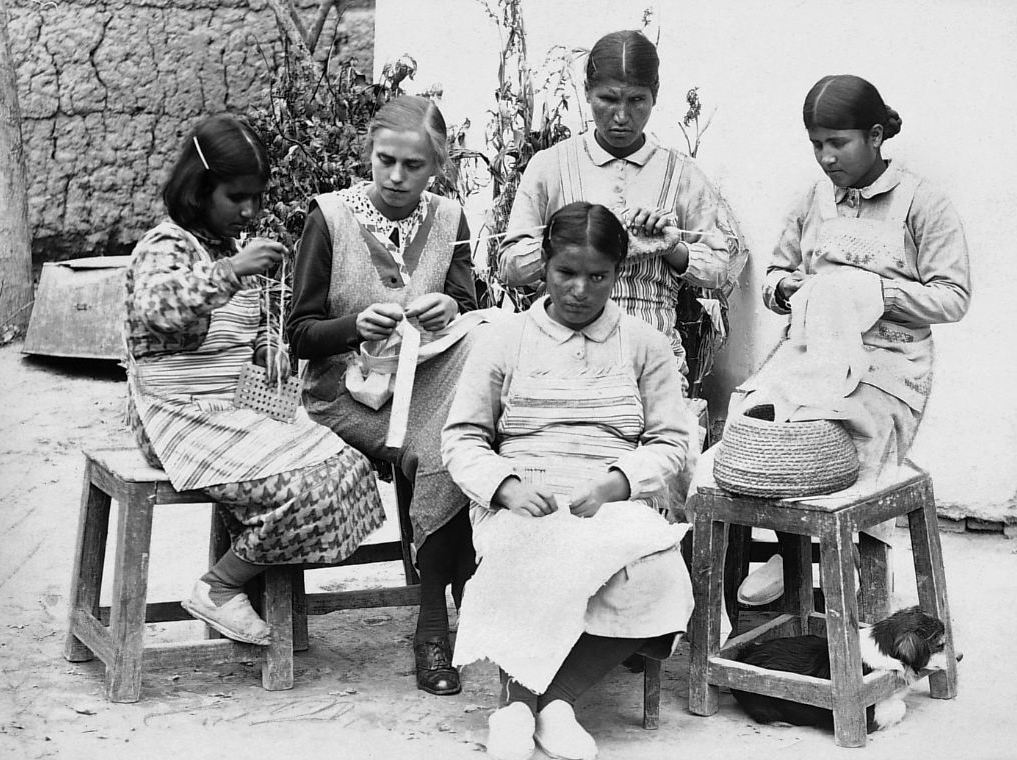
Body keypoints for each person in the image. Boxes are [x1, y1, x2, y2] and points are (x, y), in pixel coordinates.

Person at [441, 202, 694, 760]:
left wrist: (617, 482)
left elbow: (673, 440)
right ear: (544, 269)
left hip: (609, 499)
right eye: (566, 273)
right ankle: (514, 706)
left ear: (618, 273)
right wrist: (505, 488)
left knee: (658, 574)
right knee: (526, 556)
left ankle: (552, 702)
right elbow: (462, 437)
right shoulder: (505, 339)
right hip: (525, 496)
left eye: (597, 277)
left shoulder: (642, 342)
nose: (580, 289)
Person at [125, 115, 385, 646]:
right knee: (308, 486)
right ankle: (221, 586)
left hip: (234, 403)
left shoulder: (229, 248)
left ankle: (255, 584)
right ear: (199, 190)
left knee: (348, 469)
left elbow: (254, 327)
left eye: (256, 198)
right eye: (235, 196)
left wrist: (270, 350)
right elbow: (157, 310)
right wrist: (230, 272)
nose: (248, 210)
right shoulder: (165, 245)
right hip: (176, 413)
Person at [734, 74, 971, 606]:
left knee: (833, 431)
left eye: (838, 143)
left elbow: (953, 298)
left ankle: (861, 599)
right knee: (754, 417)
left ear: (877, 135)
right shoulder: (812, 199)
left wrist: (874, 292)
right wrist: (791, 288)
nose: (826, 157)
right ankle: (788, 551)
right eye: (816, 144)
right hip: (810, 348)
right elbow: (775, 274)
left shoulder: (922, 203)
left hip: (889, 363)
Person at [287, 95, 481, 696]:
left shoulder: (451, 219)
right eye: (385, 161)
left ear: (437, 167)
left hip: (428, 379)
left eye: (414, 166)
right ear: (367, 155)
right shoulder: (330, 218)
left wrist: (452, 304)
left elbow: (469, 311)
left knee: (456, 438)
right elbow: (299, 336)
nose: (397, 177)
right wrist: (353, 327)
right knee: (440, 450)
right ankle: (437, 625)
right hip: (346, 394)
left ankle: (464, 597)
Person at [497, 29, 746, 390]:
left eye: (636, 100)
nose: (621, 116)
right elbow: (510, 266)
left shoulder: (681, 173)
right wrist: (577, 238)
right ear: (587, 92)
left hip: (649, 357)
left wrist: (671, 247)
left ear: (655, 94)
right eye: (608, 99)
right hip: (559, 352)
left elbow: (720, 270)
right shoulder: (550, 166)